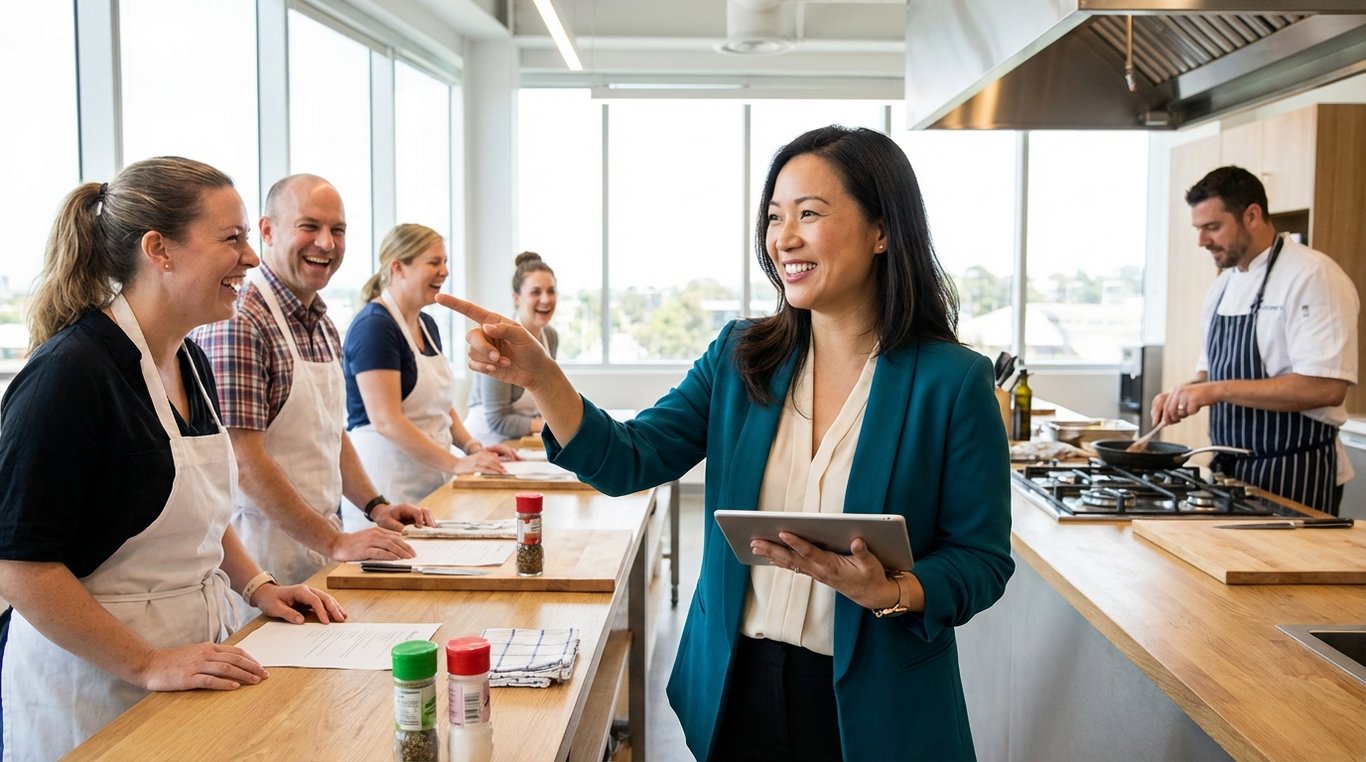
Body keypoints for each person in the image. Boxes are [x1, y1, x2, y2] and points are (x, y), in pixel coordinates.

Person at [440, 126, 1014, 760]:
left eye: (809, 214)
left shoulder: (952, 381)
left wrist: (893, 591)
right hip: (738, 692)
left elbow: (981, 559)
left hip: (880, 708)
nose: (783, 237)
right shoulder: (742, 357)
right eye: (774, 217)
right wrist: (542, 378)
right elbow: (629, 458)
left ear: (882, 231)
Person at [0, 158, 347, 762]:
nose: (249, 258)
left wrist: (258, 585)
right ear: (159, 249)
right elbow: (21, 567)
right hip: (97, 688)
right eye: (232, 239)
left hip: (186, 667)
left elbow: (202, 514)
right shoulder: (70, 374)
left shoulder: (189, 360)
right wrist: (148, 662)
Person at [191, 174, 434, 590]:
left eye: (337, 230)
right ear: (266, 230)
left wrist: (375, 507)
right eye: (309, 227)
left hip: (318, 548)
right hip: (260, 558)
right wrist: (335, 541)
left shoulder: (321, 322)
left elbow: (329, 432)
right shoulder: (241, 321)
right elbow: (244, 462)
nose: (326, 243)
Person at [1154, 166, 1358, 515]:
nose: (1201, 241)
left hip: (1296, 474)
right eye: (1198, 229)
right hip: (1232, 475)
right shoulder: (1223, 285)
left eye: (1212, 227)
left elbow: (1326, 388)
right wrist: (1183, 393)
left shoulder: (1312, 276)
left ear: (1251, 215)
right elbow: (1208, 376)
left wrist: (1215, 391)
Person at [341, 224, 517, 528]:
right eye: (434, 262)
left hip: (429, 484)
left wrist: (473, 448)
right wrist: (457, 463)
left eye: (445, 262)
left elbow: (441, 405)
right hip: (388, 487)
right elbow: (386, 420)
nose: (444, 271)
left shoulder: (427, 325)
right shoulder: (374, 327)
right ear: (399, 268)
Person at [463, 252, 559, 443]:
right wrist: (552, 424)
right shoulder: (500, 340)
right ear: (516, 298)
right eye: (535, 292)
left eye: (551, 291)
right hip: (486, 442)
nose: (546, 299)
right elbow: (497, 419)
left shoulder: (550, 336)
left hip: (518, 442)